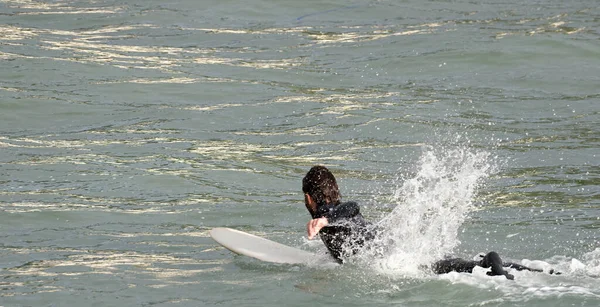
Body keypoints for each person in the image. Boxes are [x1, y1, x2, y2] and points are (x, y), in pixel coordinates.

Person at [302, 165, 557, 279]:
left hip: (396, 259)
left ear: (308, 198)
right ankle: (535, 270)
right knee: (459, 266)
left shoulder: (328, 213)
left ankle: (492, 261)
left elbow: (351, 208)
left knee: (449, 268)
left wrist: (324, 219)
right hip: (396, 252)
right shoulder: (330, 214)